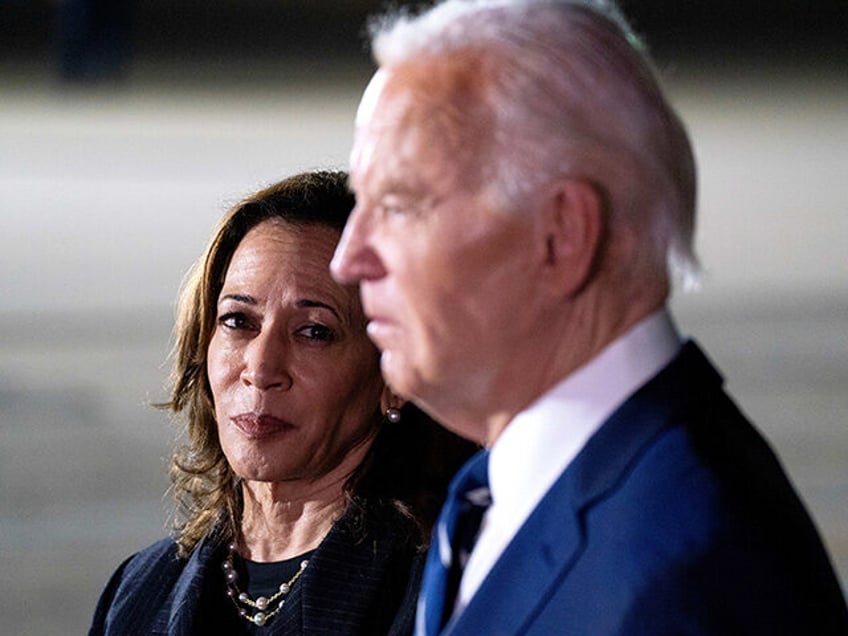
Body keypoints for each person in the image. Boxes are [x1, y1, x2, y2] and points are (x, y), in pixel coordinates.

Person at [330, 1, 848, 634]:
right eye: (361, 204)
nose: (347, 260)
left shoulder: (684, 586)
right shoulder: (509, 482)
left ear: (562, 235)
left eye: (400, 206)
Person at [89, 170, 476, 635]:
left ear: (394, 373)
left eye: (315, 331)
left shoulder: (442, 593)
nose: (261, 368)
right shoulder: (138, 591)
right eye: (238, 321)